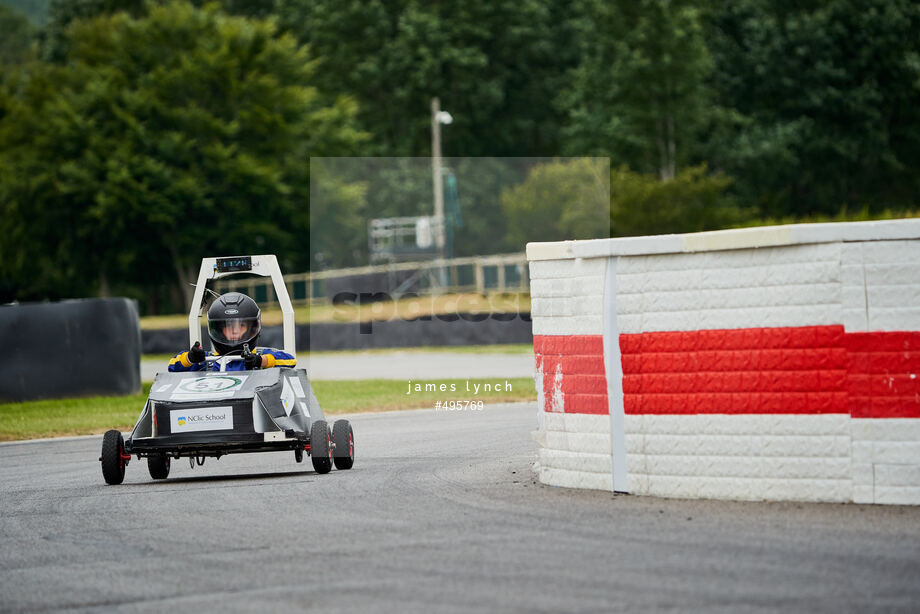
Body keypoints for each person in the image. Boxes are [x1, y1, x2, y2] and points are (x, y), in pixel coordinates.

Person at [168, 292, 295, 372]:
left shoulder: (261, 355)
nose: (234, 330)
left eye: (241, 326)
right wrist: (190, 358)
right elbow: (172, 366)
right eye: (228, 327)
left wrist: (261, 361)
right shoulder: (206, 360)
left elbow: (290, 361)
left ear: (252, 328)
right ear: (219, 330)